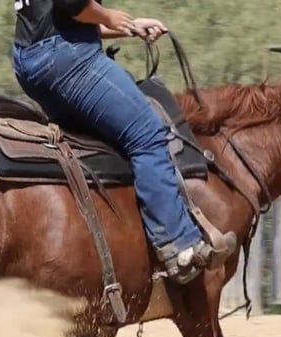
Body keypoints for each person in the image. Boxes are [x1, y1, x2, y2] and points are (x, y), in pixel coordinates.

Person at [12, 0, 237, 283]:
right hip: (66, 57)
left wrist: (128, 26)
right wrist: (108, 15)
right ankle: (180, 245)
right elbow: (72, 4)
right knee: (147, 135)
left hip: (31, 61)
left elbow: (60, 18)